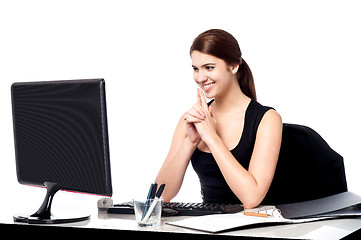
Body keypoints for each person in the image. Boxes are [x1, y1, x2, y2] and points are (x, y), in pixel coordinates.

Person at [156, 29, 282, 209]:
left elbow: (251, 198)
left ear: (233, 66)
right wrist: (190, 143)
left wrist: (211, 137)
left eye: (209, 67)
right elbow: (160, 196)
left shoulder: (267, 119)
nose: (200, 77)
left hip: (254, 226)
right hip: (207, 224)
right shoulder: (190, 119)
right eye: (195, 69)